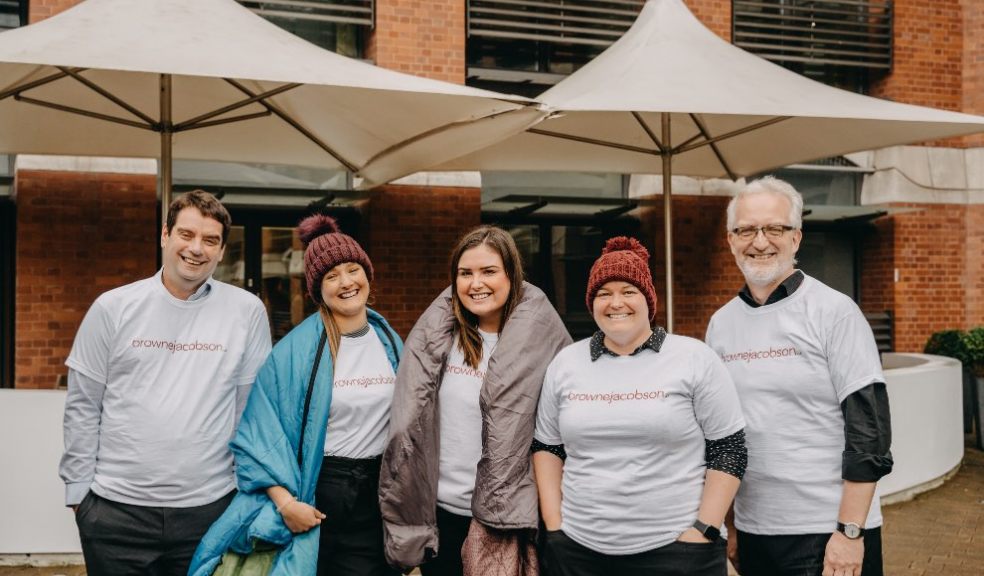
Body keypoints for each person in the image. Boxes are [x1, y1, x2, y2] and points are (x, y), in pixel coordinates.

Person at [59, 190, 272, 576]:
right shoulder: (114, 307)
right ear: (164, 235)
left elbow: (249, 411)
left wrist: (244, 493)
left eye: (210, 240)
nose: (196, 249)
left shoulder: (247, 311)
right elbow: (82, 406)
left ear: (223, 251)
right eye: (186, 235)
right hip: (115, 512)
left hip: (209, 510)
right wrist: (80, 498)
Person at [189, 214, 403, 576]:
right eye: (331, 276)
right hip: (317, 492)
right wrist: (286, 504)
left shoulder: (391, 343)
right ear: (317, 289)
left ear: (367, 274)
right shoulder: (292, 353)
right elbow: (259, 435)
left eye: (353, 270)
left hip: (375, 498)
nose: (346, 282)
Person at [705, 176, 893, 576]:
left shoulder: (834, 312)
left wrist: (850, 531)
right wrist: (731, 525)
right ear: (730, 239)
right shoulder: (721, 325)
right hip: (756, 530)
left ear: (796, 237)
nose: (760, 241)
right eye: (746, 230)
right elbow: (723, 434)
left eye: (774, 228)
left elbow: (870, 431)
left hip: (827, 531)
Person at [532, 237, 747, 576]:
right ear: (591, 303)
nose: (616, 302)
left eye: (628, 291)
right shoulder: (566, 363)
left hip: (679, 549)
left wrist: (704, 528)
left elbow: (729, 449)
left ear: (648, 298)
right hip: (579, 551)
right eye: (604, 293)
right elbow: (547, 446)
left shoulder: (694, 358)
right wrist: (555, 525)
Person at [379, 225, 571, 576]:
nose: (475, 283)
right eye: (465, 273)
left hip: (506, 520)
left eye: (488, 271)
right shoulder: (439, 339)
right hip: (440, 517)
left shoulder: (544, 342)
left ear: (512, 275)